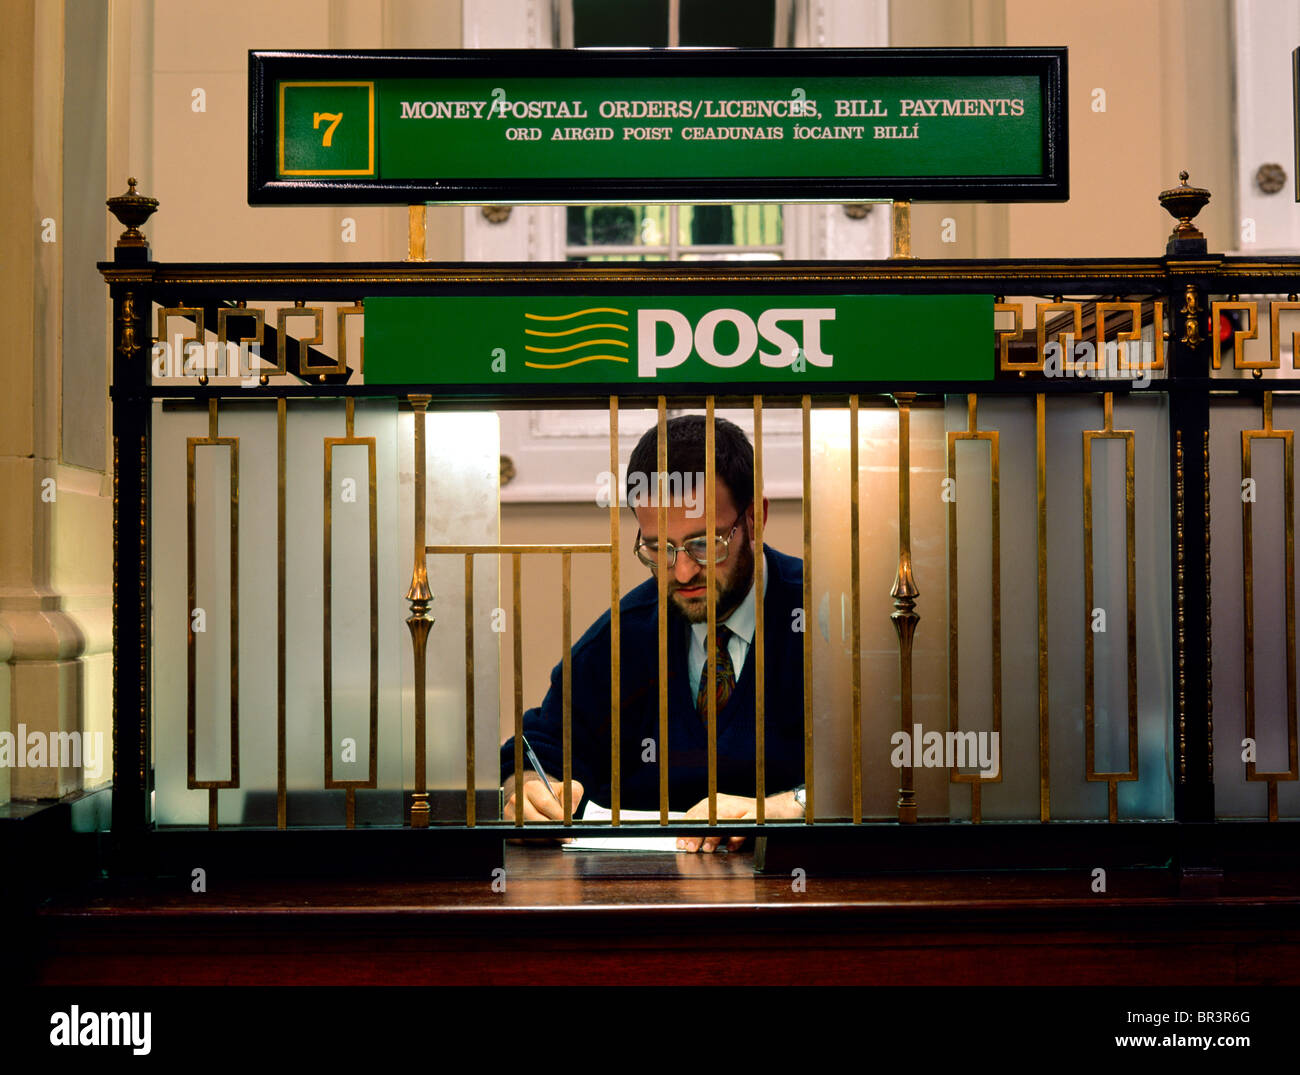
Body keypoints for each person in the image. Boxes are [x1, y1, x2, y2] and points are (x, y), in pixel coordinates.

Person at [500, 414, 807, 852]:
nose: (682, 571)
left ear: (755, 519)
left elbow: (886, 775)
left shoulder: (822, 619)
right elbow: (536, 748)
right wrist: (530, 790)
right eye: (657, 548)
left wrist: (792, 805)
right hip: (646, 897)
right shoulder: (626, 634)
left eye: (705, 544)